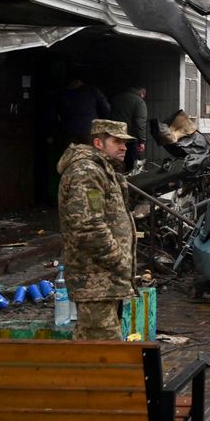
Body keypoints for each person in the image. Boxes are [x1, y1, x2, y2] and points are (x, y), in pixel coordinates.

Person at [57, 119, 138, 340]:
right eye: (117, 141)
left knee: (95, 349)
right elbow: (88, 226)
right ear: (98, 143)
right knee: (102, 352)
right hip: (95, 281)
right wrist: (119, 260)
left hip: (106, 280)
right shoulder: (86, 172)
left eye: (125, 142)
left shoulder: (104, 170)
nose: (124, 147)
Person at [56, 73, 111, 145]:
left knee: (72, 155)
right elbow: (106, 108)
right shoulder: (93, 91)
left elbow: (54, 113)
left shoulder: (63, 94)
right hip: (90, 130)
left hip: (70, 131)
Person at [109, 86, 147, 172]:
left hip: (114, 137)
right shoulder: (139, 101)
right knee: (130, 165)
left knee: (115, 163)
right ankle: (129, 183)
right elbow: (140, 123)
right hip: (130, 139)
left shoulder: (116, 98)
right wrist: (142, 141)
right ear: (142, 92)